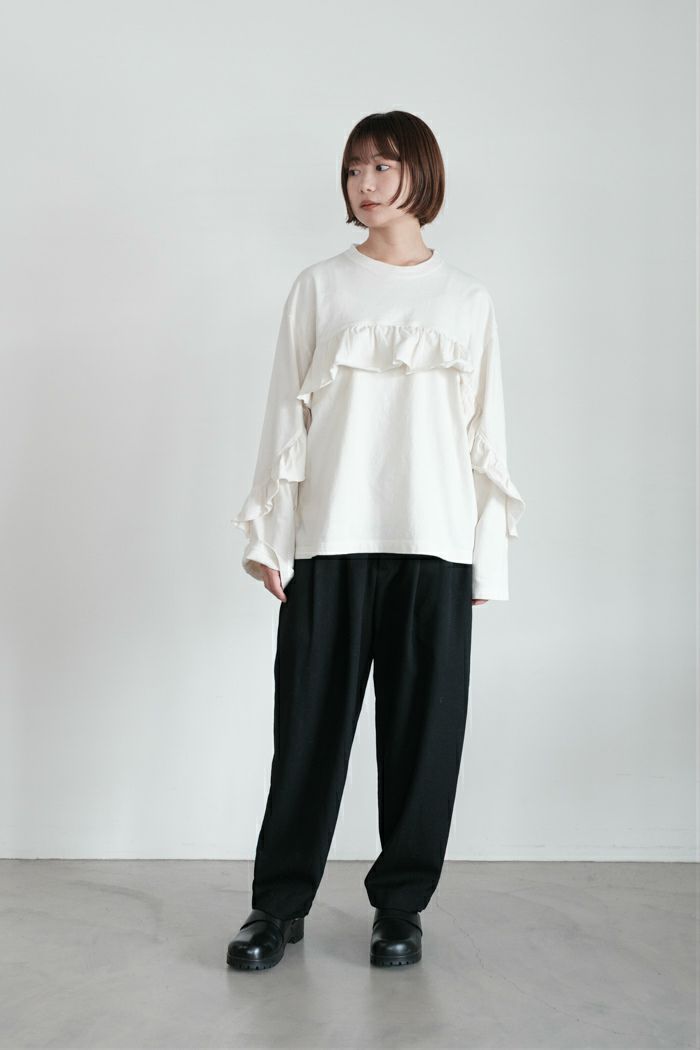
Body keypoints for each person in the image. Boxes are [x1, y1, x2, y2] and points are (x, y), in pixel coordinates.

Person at [226, 110, 526, 971]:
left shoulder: (467, 299)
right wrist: (270, 535)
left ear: (420, 174)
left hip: (435, 540)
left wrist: (486, 556)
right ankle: (277, 908)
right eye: (355, 168)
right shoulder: (320, 287)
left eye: (383, 166)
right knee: (307, 731)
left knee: (423, 736)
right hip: (331, 538)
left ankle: (401, 908)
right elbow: (284, 414)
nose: (365, 183)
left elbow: (486, 435)